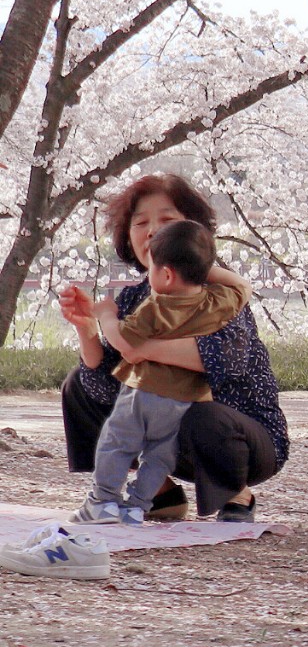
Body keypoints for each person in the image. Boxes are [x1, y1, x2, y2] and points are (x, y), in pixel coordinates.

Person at [57, 174, 289, 522]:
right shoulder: (134, 298)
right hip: (167, 431)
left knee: (198, 412)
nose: (152, 231)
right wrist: (88, 330)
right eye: (140, 223)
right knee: (81, 383)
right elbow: (104, 388)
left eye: (167, 221)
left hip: (237, 437)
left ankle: (236, 492)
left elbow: (228, 361)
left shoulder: (217, 296)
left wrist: (139, 348)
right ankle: (158, 494)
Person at [77, 221, 250, 526]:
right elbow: (243, 286)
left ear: (167, 274)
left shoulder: (157, 307)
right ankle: (137, 506)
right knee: (159, 455)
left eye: (154, 268)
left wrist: (105, 314)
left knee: (117, 442)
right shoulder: (216, 303)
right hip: (184, 402)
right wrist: (198, 264)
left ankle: (102, 502)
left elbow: (122, 342)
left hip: (143, 393)